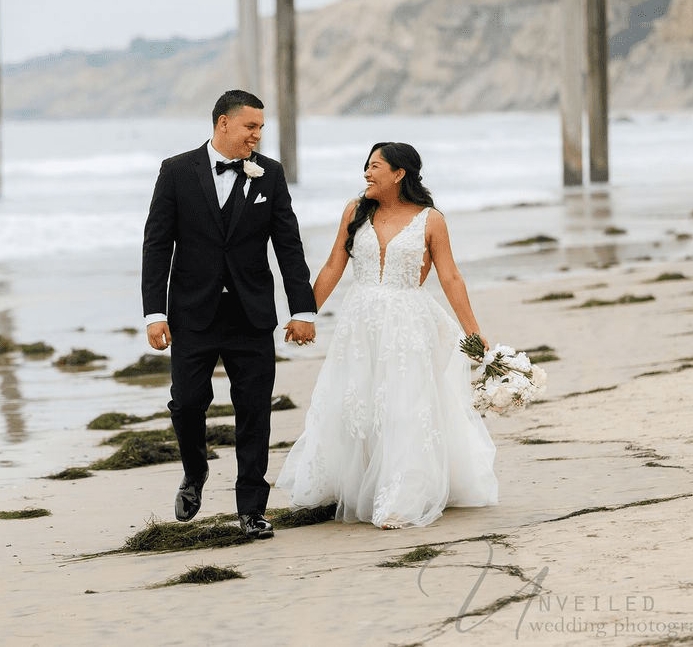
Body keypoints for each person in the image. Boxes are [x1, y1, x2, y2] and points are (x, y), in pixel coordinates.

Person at [276, 142, 498, 529]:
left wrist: (474, 334)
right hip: (359, 323)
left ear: (399, 174)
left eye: (375, 166)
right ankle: (354, 485)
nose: (367, 172)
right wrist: (304, 314)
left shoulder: (431, 220)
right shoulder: (354, 211)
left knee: (404, 406)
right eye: (366, 165)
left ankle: (402, 496)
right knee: (356, 402)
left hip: (408, 324)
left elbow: (450, 277)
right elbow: (333, 265)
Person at [141, 90, 318, 539]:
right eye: (251, 127)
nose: (258, 136)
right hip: (192, 313)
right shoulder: (176, 172)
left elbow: (288, 244)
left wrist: (302, 309)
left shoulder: (270, 175)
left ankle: (251, 509)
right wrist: (153, 313)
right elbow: (158, 244)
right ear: (223, 123)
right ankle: (195, 472)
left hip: (251, 313)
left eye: (261, 128)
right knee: (186, 403)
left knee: (255, 411)